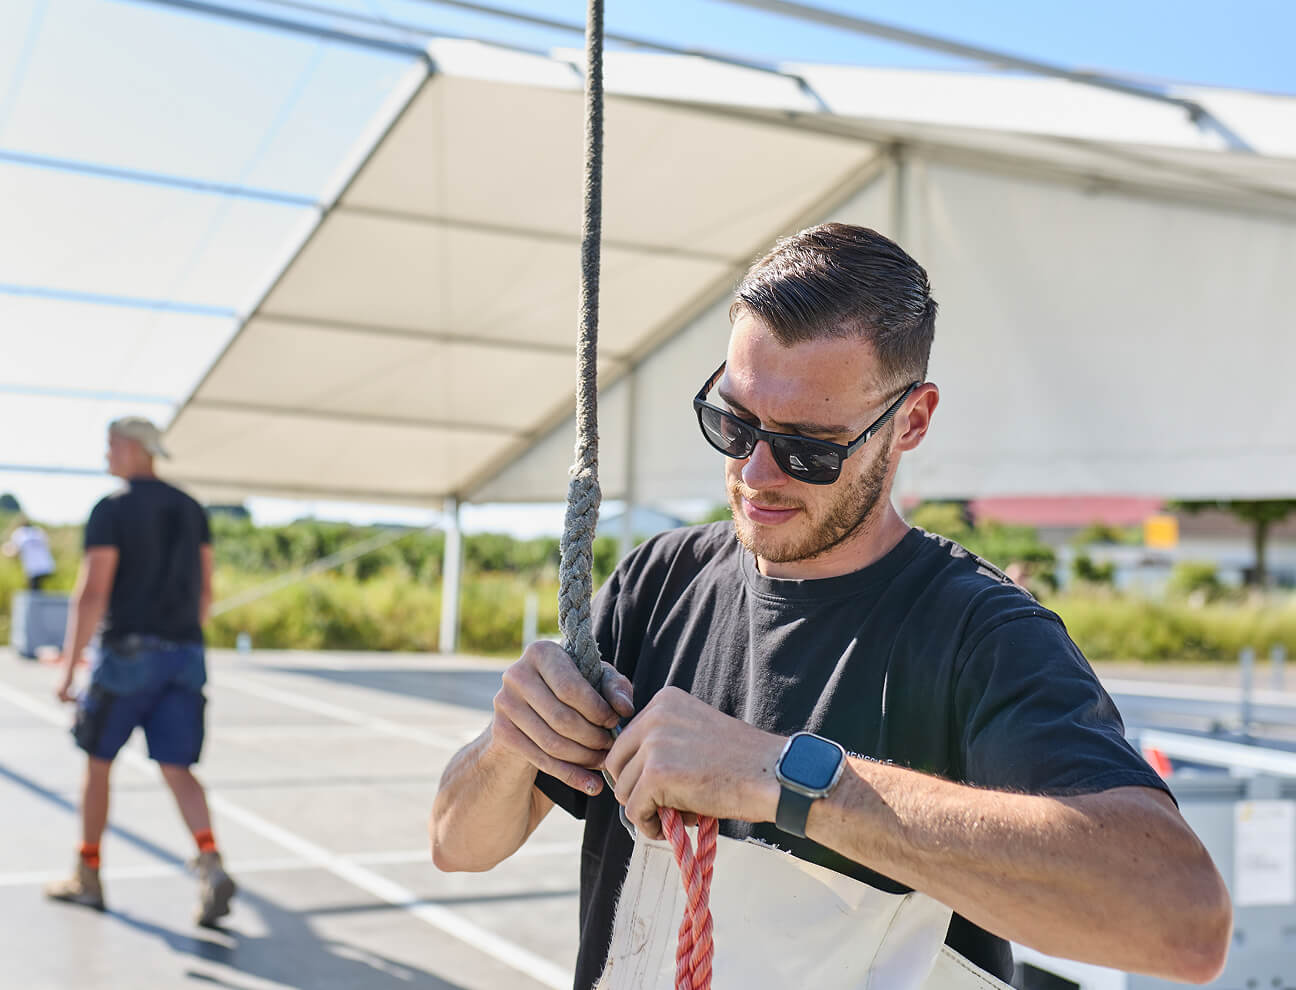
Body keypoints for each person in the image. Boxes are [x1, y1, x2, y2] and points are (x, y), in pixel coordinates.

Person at [429, 224, 1231, 987]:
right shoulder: (657, 584)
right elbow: (456, 844)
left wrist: (786, 779)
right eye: (732, 423)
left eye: (810, 447)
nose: (758, 471)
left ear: (910, 422)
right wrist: (508, 745)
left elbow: (1182, 922)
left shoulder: (982, 636)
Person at [45, 416, 236, 927]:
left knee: (98, 763)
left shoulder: (113, 509)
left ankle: (88, 874)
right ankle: (211, 862)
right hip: (185, 654)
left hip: (127, 654)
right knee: (178, 768)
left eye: (111, 445)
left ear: (134, 449)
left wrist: (68, 668)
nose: (106, 455)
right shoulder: (192, 507)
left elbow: (92, 592)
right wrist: (181, 641)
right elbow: (205, 592)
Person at [3, 513, 56, 590]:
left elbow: (14, 550)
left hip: (33, 568)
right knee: (37, 589)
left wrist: (5, 551)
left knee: (33, 591)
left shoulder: (19, 533)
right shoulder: (38, 531)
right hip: (46, 565)